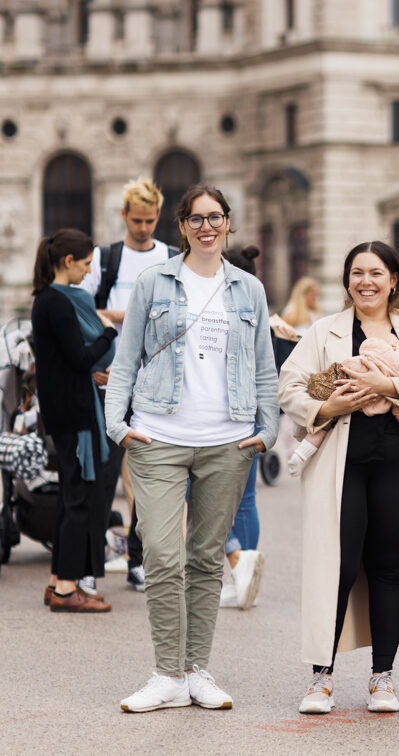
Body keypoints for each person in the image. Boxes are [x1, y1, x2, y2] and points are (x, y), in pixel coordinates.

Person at [105, 185, 278, 713]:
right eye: (196, 219)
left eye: (216, 217)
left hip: (226, 440)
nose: (207, 227)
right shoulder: (156, 281)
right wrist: (118, 424)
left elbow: (265, 366)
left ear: (229, 224)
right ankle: (166, 673)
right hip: (158, 435)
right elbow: (127, 356)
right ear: (180, 226)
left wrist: (265, 430)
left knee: (205, 559)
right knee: (160, 552)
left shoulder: (248, 289)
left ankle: (196, 671)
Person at [279, 241, 399, 715]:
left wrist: (386, 385)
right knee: (337, 566)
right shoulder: (324, 331)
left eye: (376, 272)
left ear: (394, 279)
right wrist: (328, 405)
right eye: (357, 273)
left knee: (388, 568)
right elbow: (289, 386)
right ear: (347, 280)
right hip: (342, 464)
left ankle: (382, 677)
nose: (366, 281)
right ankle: (321, 678)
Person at [80, 177, 180, 593]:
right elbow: (82, 311)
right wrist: (120, 322)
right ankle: (91, 563)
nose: (144, 228)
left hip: (155, 382)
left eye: (150, 220)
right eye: (137, 220)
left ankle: (138, 560)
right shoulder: (106, 259)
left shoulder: (172, 258)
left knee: (149, 478)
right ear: (124, 216)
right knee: (104, 477)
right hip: (111, 378)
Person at [30, 229, 118, 613]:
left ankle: (56, 582)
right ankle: (67, 589)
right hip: (75, 414)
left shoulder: (44, 301)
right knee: (80, 498)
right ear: (68, 262)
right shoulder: (60, 303)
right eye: (84, 265)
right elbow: (81, 359)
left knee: (70, 497)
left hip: (60, 412)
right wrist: (109, 333)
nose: (87, 273)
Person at [288, 332, 399, 475]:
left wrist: (390, 344)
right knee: (321, 429)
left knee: (318, 410)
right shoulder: (396, 381)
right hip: (347, 395)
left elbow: (367, 344)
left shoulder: (385, 350)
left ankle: (301, 436)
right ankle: (299, 455)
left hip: (333, 376)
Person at [216, 246, 267, 612]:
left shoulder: (226, 310)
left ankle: (236, 562)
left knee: (195, 491)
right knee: (246, 500)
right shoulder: (261, 310)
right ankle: (244, 580)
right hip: (250, 414)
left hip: (221, 416)